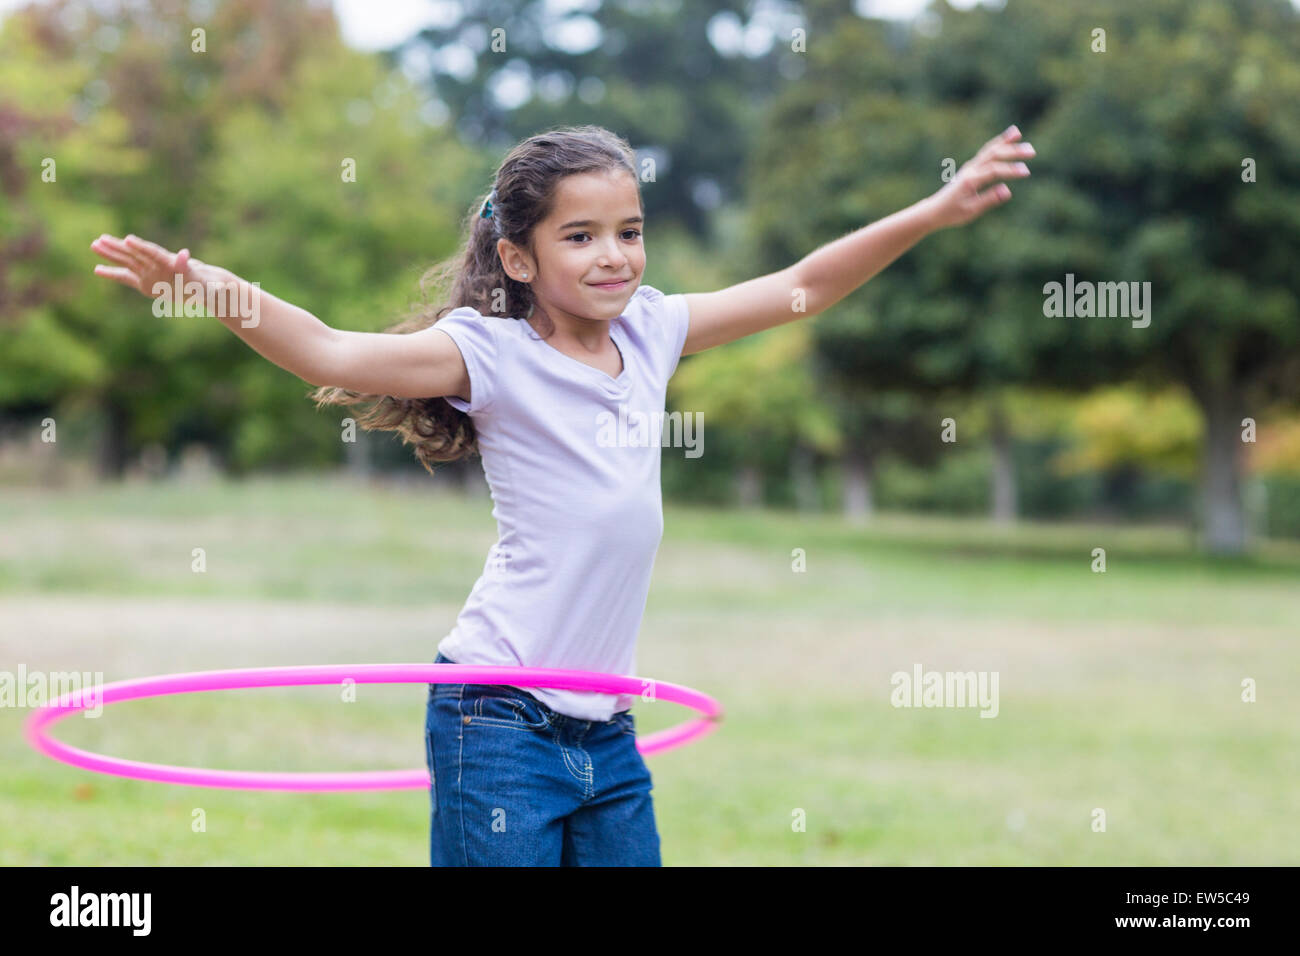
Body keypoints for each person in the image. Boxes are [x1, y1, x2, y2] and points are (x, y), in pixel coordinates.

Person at [90, 123, 1033, 866]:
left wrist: (932, 209)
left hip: (608, 725)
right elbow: (334, 351)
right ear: (518, 259)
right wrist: (211, 288)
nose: (613, 255)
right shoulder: (490, 353)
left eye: (629, 232)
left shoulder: (657, 330)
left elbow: (802, 287)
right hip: (495, 716)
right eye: (579, 236)